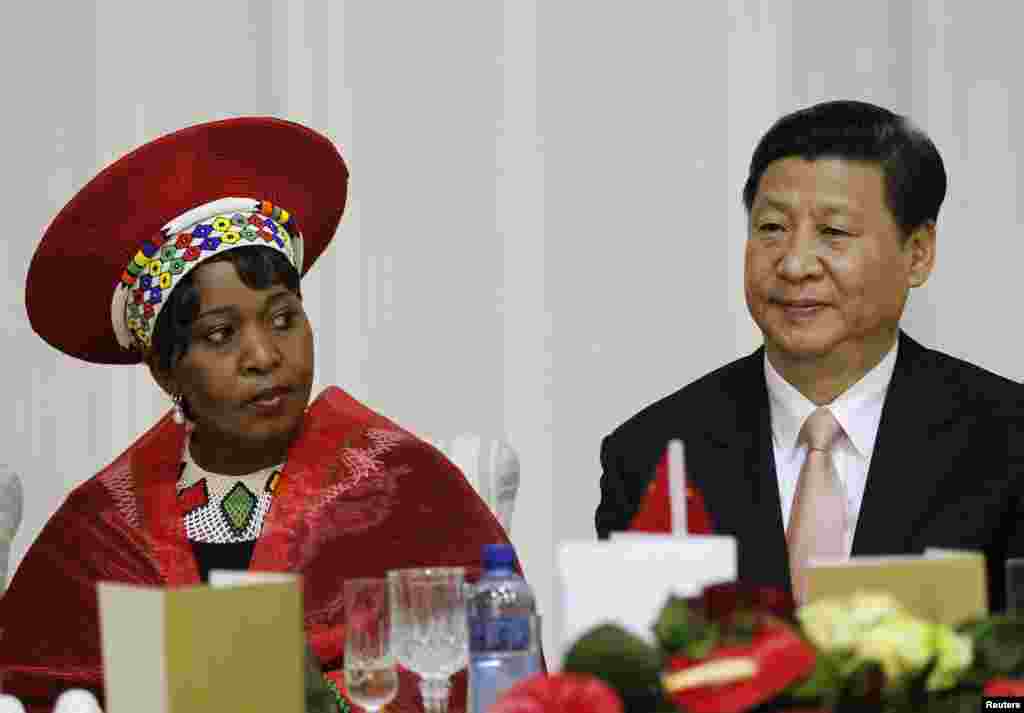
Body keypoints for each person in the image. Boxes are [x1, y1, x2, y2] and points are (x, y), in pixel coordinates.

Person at [0, 117, 519, 713]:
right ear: (166, 371)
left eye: (282, 319)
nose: (266, 356)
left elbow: (495, 685)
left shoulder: (405, 488)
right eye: (221, 334)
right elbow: (30, 689)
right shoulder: (99, 535)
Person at [596, 100, 1024, 610]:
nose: (795, 264)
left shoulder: (1008, 442)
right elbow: (624, 682)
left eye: (833, 232)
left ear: (918, 252)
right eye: (772, 229)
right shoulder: (653, 454)